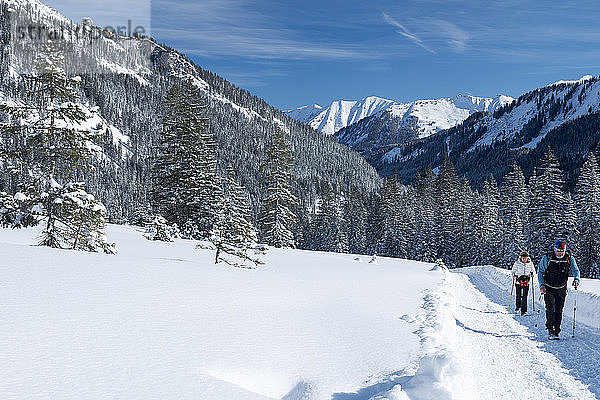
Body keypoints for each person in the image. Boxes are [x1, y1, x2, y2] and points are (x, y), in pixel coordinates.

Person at [538, 240, 580, 340]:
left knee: (559, 310)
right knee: (550, 308)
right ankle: (550, 329)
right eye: (558, 251)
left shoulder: (569, 258)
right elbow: (540, 272)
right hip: (549, 288)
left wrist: (576, 279)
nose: (560, 253)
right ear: (554, 250)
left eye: (562, 251)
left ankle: (556, 330)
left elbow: (575, 270)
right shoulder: (547, 258)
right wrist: (542, 285)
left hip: (561, 288)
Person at [512, 250, 535, 316]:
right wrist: (514, 275)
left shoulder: (530, 263)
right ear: (521, 257)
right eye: (523, 258)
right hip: (518, 281)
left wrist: (532, 273)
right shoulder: (517, 263)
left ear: (527, 258)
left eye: (525, 258)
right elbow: (513, 271)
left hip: (526, 281)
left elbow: (532, 270)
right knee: (518, 295)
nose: (524, 259)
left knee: (525, 296)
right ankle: (517, 307)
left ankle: (524, 311)